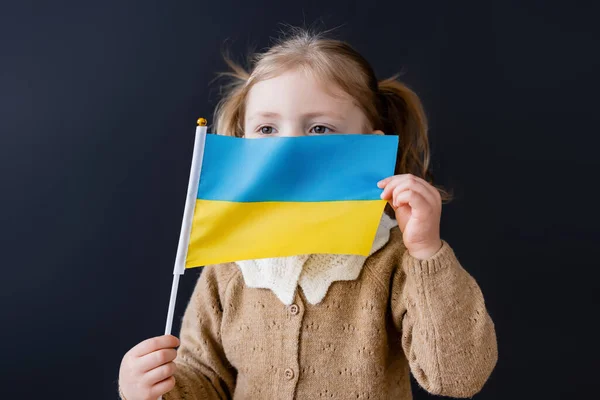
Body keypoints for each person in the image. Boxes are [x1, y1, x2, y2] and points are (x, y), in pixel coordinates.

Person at [118, 27, 498, 400]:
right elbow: (205, 381)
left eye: (319, 128)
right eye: (266, 128)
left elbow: (458, 377)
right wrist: (153, 391)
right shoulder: (230, 265)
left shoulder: (394, 257)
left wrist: (426, 252)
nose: (288, 148)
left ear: (369, 146)